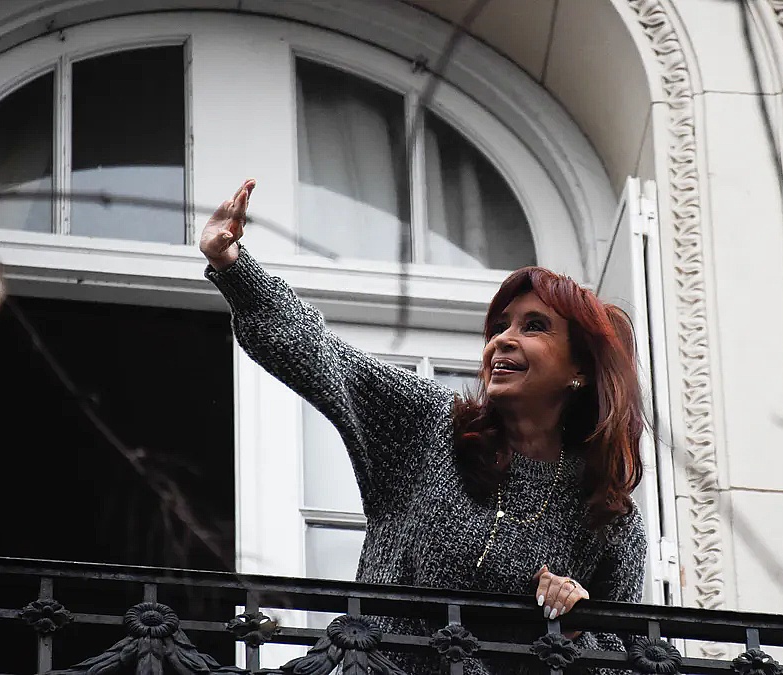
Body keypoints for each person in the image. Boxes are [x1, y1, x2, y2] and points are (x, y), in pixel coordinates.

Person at [201, 179, 648, 674]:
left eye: (533, 326)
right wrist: (234, 267)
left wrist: (578, 627)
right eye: (500, 326)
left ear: (580, 370)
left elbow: (630, 660)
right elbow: (324, 358)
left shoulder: (611, 519)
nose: (502, 340)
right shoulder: (433, 426)